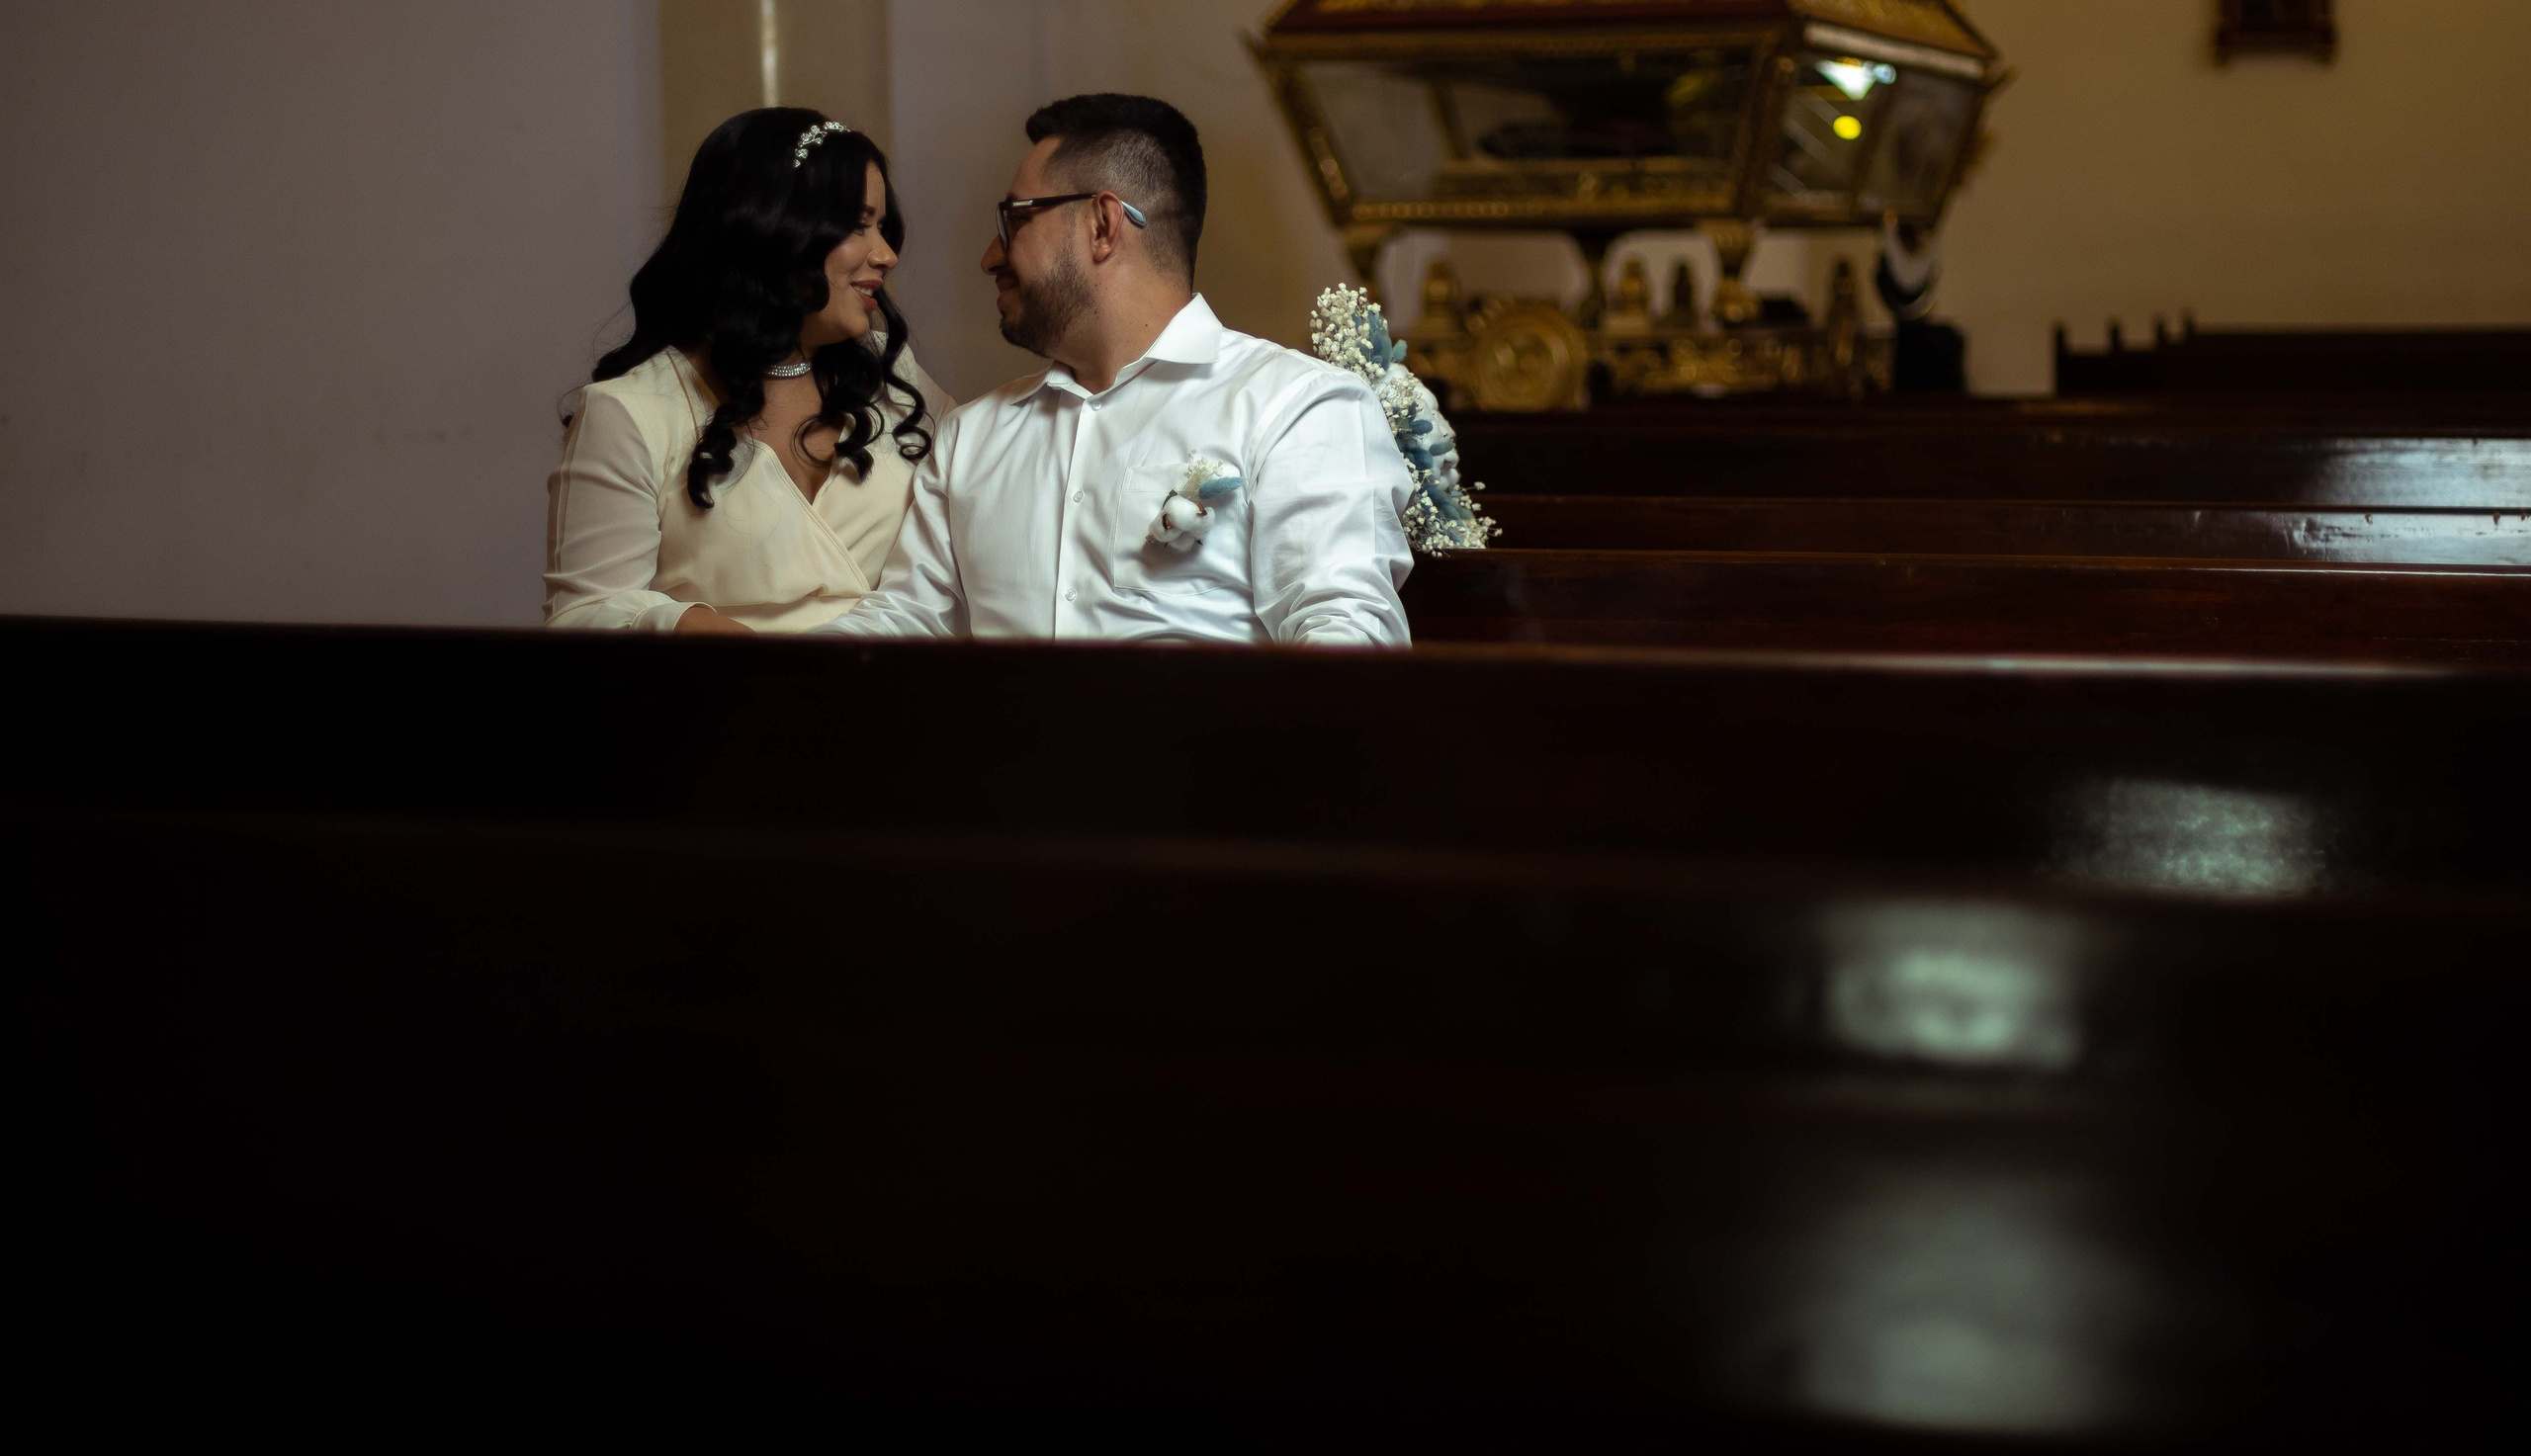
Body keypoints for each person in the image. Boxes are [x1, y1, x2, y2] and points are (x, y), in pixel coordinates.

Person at [810, 94, 1414, 646]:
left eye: (1014, 220)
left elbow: (1346, 640)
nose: (990, 256)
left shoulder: (1295, 408)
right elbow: (908, 618)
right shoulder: (973, 436)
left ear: (1103, 224)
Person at [546, 109, 953, 634]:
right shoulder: (631, 411)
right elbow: (581, 617)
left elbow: (993, 481)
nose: (888, 254)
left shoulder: (893, 377)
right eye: (857, 226)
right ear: (773, 228)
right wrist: (702, 631)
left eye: (882, 227)